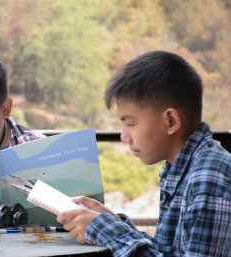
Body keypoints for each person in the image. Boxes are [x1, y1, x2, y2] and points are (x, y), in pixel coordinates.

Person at [57, 51, 231, 256]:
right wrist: (114, 223)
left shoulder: (209, 178)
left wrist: (103, 229)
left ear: (171, 121)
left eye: (131, 124)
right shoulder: (181, 169)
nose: (123, 136)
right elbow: (166, 252)